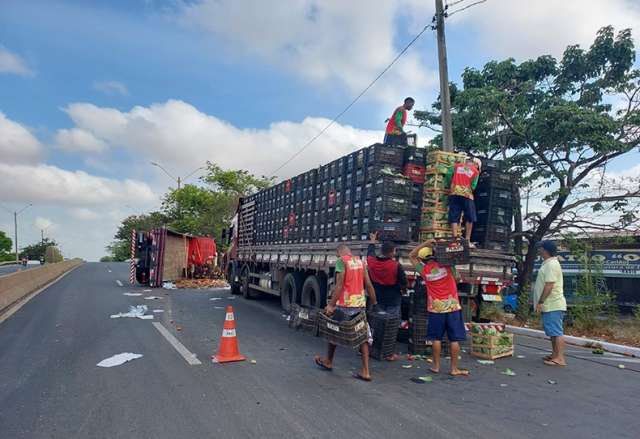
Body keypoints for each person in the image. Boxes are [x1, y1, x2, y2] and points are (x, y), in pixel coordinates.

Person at [315, 244, 378, 381]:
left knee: (333, 330)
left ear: (339, 253)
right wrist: (374, 302)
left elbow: (339, 285)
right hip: (360, 304)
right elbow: (368, 284)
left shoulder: (341, 262)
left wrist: (331, 305)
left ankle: (328, 361)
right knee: (362, 336)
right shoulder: (361, 262)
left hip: (345, 304)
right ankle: (366, 371)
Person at [409, 240, 469, 376]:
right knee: (454, 339)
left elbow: (411, 256)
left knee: (436, 338)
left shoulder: (423, 270)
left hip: (436, 309)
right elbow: (458, 279)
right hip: (453, 307)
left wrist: (425, 243)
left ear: (423, 259)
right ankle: (454, 369)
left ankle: (436, 366)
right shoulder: (447, 266)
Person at [366, 232, 408, 360]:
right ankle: (388, 353)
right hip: (393, 298)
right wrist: (404, 291)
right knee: (391, 326)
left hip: (377, 298)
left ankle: (372, 348)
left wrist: (372, 241)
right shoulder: (396, 266)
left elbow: (370, 253)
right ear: (391, 252)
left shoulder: (372, 262)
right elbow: (403, 283)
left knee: (375, 324)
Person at [534, 240, 567, 367]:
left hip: (553, 303)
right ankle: (555, 354)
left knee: (556, 332)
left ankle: (560, 358)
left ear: (545, 250)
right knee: (552, 331)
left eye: (540, 248)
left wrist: (540, 301)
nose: (539, 250)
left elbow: (549, 286)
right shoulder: (547, 263)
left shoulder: (552, 264)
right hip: (550, 304)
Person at [445, 157, 481, 244]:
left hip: (454, 193)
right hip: (467, 195)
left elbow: (448, 175)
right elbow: (473, 186)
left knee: (454, 215)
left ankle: (455, 238)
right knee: (470, 217)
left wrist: (451, 184)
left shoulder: (456, 166)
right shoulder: (475, 172)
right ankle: (467, 239)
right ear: (475, 164)